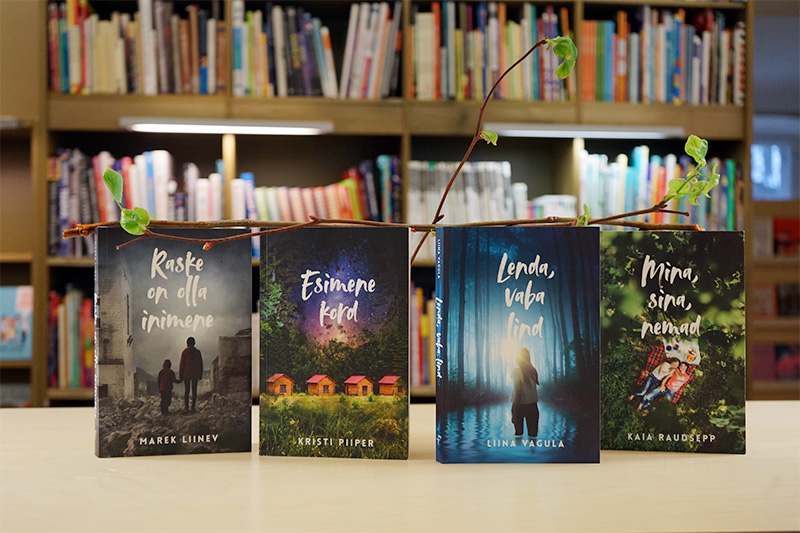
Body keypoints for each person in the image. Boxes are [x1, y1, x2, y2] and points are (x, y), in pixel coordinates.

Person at [511, 347, 540, 438]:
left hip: (519, 406)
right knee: (533, 437)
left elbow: (517, 392)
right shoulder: (533, 371)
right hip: (533, 407)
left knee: (518, 436)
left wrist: (514, 412)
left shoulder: (516, 371)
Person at [179, 337, 203, 412]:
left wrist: (181, 376)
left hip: (186, 374)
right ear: (194, 343)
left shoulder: (185, 352)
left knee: (187, 391)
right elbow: (200, 364)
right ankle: (193, 407)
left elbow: (182, 365)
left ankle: (186, 407)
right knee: (194, 390)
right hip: (195, 374)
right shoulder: (197, 352)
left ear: (187, 343)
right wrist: (200, 374)